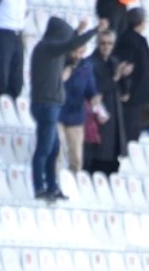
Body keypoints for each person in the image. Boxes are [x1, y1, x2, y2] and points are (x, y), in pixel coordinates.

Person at [29, 17, 100, 200]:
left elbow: (69, 45)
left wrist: (77, 32)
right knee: (44, 149)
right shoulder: (47, 48)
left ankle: (52, 187)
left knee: (53, 150)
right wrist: (94, 30)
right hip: (47, 104)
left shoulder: (49, 50)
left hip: (49, 104)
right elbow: (70, 44)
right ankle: (39, 188)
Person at [83, 29, 129, 175]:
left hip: (114, 117)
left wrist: (125, 77)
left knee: (112, 163)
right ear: (97, 44)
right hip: (97, 120)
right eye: (103, 43)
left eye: (109, 43)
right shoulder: (89, 63)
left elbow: (124, 92)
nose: (106, 46)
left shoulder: (115, 62)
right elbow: (92, 91)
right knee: (97, 160)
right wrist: (115, 78)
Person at [59, 41, 100, 173]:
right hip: (58, 113)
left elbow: (91, 89)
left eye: (81, 52)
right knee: (56, 149)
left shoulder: (87, 67)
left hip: (76, 115)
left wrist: (94, 97)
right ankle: (53, 180)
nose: (77, 55)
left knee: (76, 156)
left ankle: (74, 179)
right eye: (75, 51)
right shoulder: (59, 63)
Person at [114, 7, 149, 143]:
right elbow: (124, 68)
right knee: (129, 132)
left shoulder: (137, 39)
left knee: (135, 130)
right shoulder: (129, 40)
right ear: (141, 22)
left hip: (138, 95)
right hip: (131, 95)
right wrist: (125, 89)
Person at [0, 0, 25, 97]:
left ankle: (10, 103)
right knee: (3, 74)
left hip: (18, 33)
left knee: (17, 79)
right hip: (4, 32)